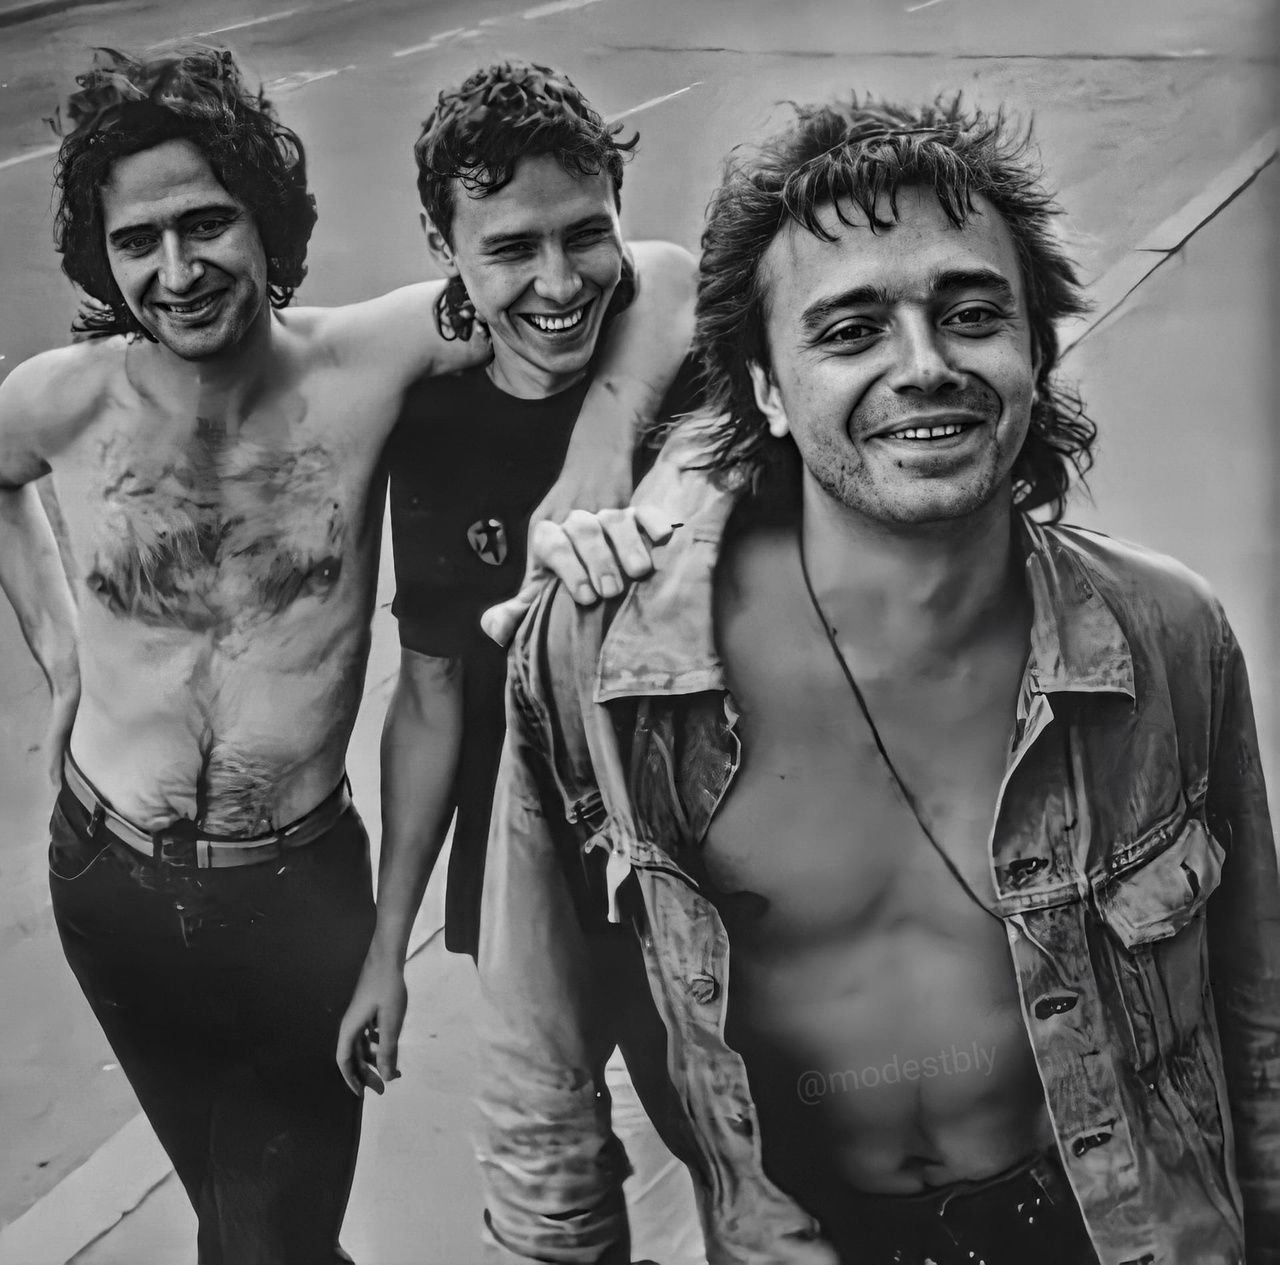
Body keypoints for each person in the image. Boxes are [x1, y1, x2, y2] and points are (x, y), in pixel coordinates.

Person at [473, 94, 1280, 1265]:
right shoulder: (606, 664)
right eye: (849, 330)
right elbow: (540, 1076)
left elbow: (1255, 1022)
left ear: (1035, 348)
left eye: (970, 314)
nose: (924, 365)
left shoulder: (1164, 634)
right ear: (761, 388)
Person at [0, 46, 689, 1265]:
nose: (177, 270)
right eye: (137, 242)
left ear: (264, 221)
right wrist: (59, 655)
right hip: (108, 882)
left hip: (294, 891)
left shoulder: (371, 358)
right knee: (238, 1217)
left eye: (207, 223)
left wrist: (602, 431)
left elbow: (659, 273)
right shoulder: (61, 400)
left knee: (268, 1234)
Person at [333, 61, 706, 1265]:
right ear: (442, 247)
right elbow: (432, 695)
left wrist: (609, 428)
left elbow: (676, 271)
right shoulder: (432, 427)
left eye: (583, 233)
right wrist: (385, 950)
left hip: (699, 866)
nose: (557, 283)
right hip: (529, 867)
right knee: (553, 1168)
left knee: (728, 1141)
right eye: (509, 249)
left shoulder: (685, 372)